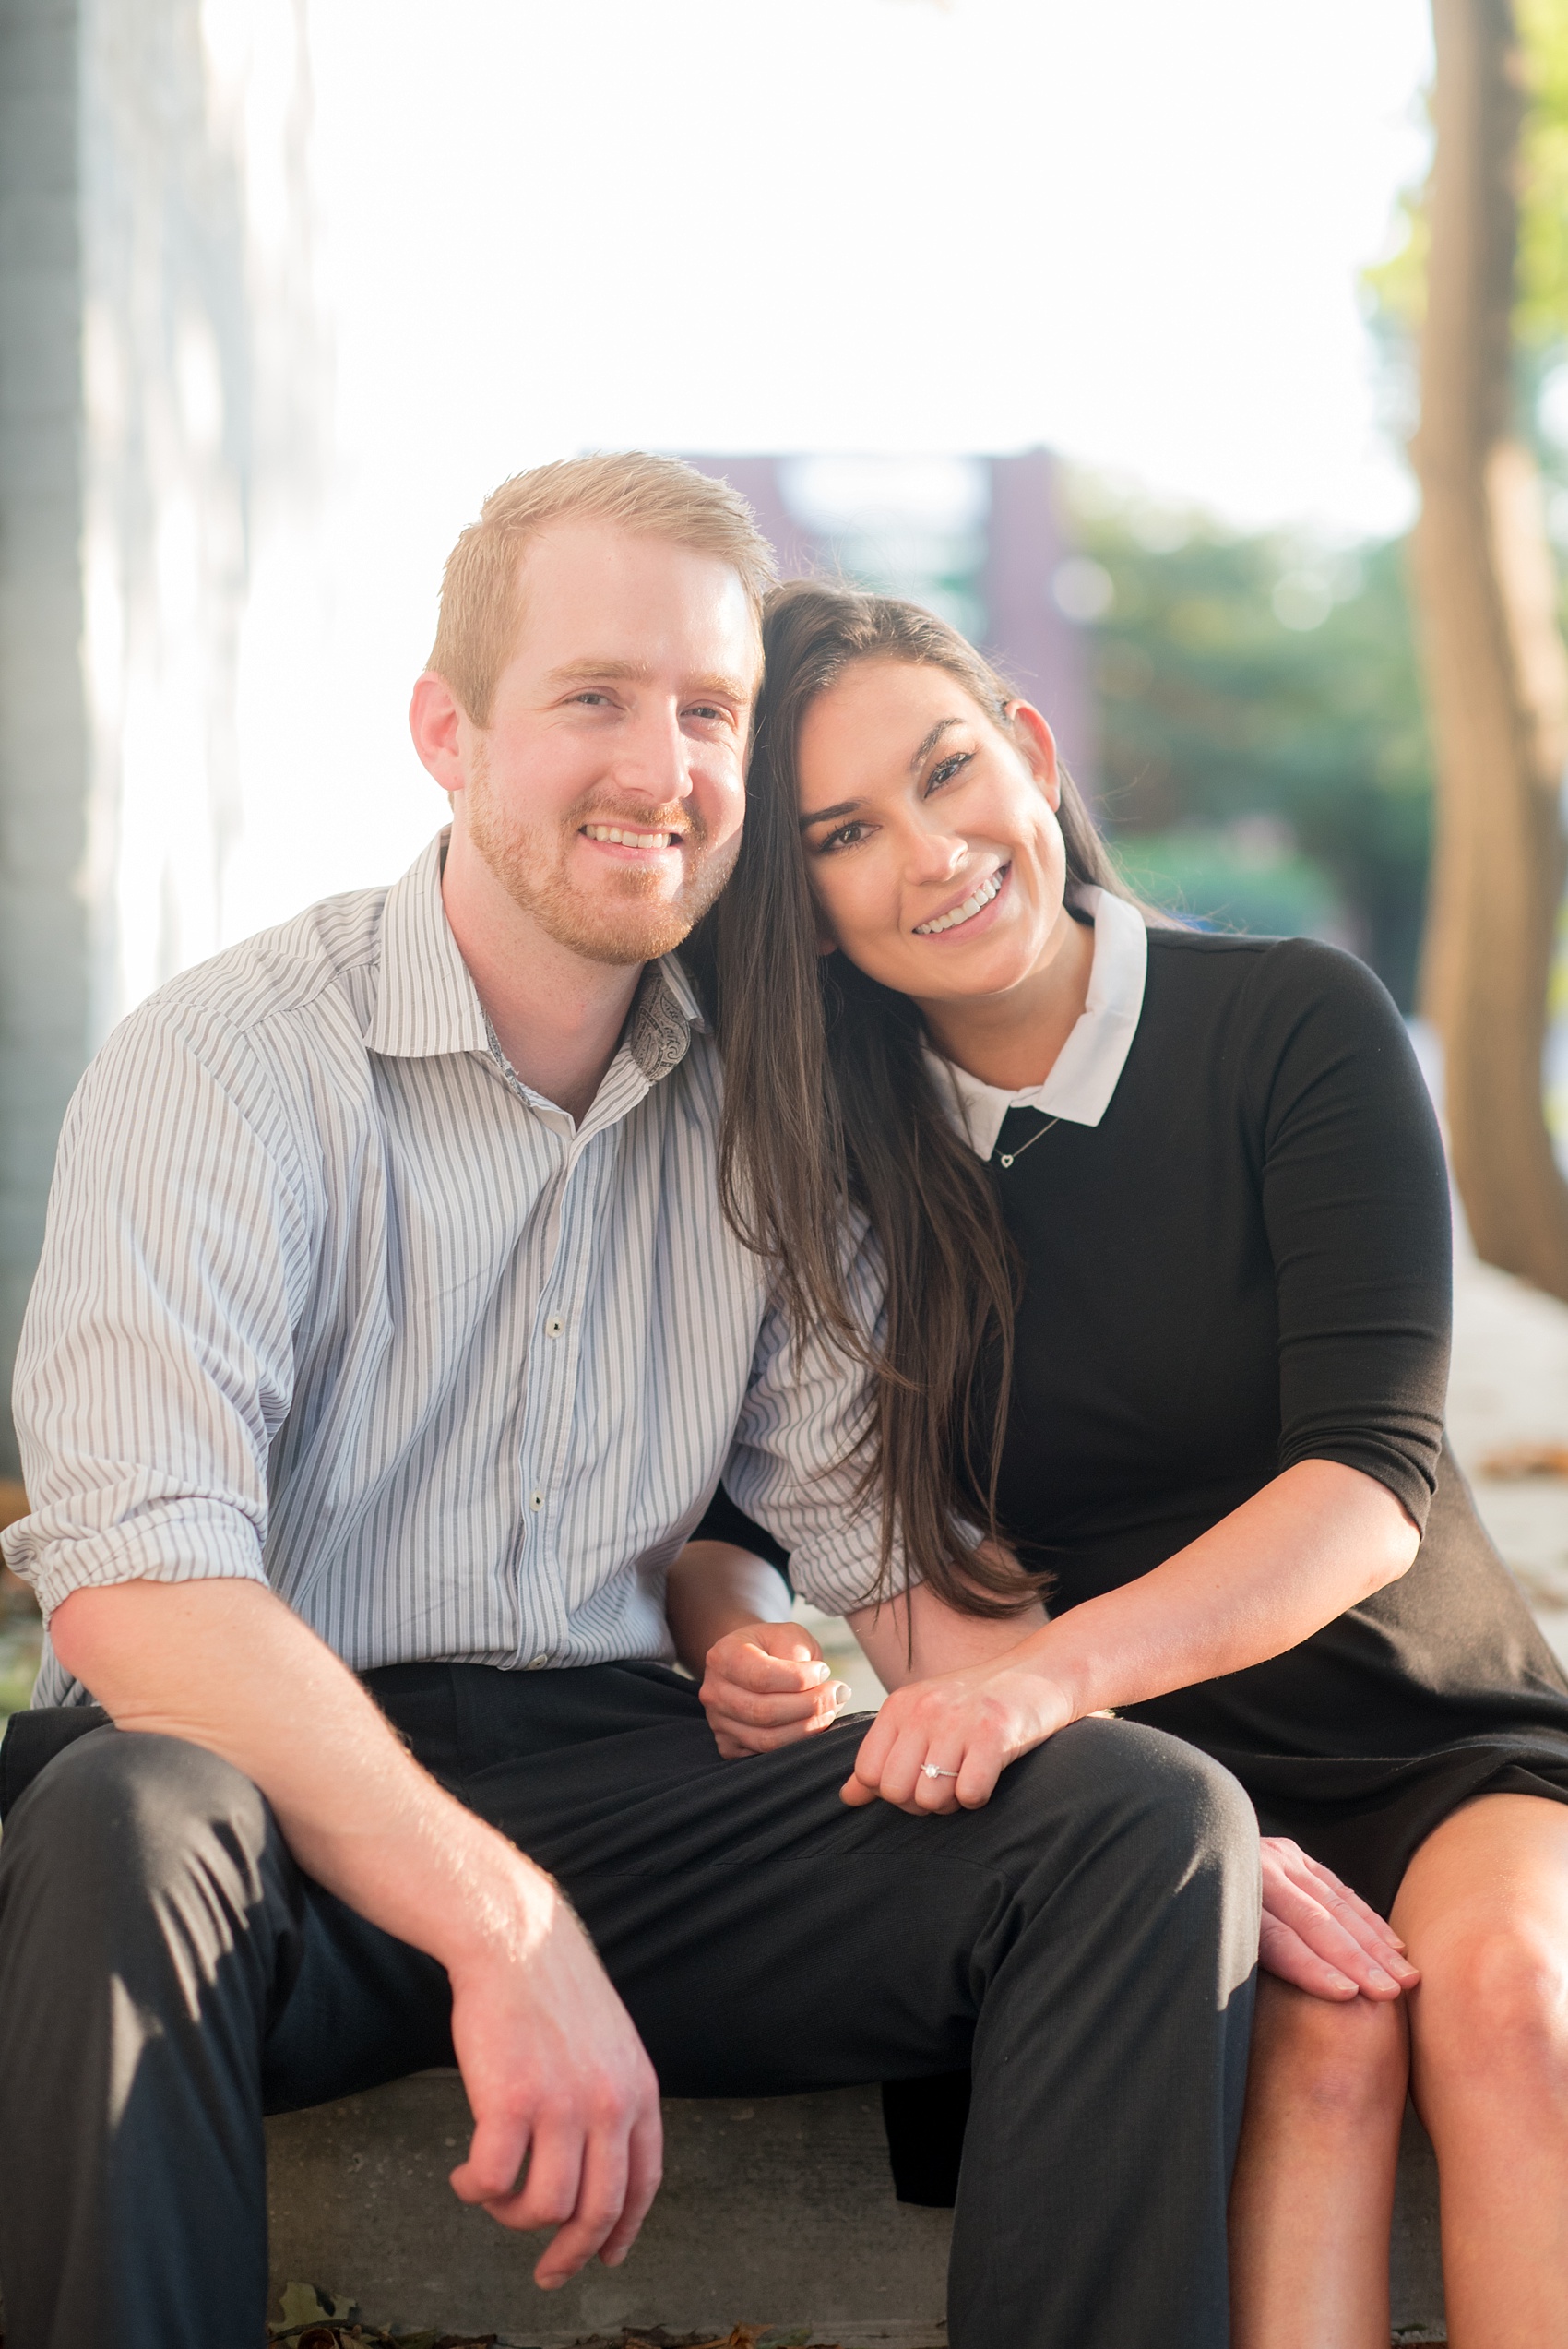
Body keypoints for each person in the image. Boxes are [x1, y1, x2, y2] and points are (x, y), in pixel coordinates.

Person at [0, 456, 1261, 2349]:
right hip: (263, 1810)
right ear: (448, 729)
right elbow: (132, 1590)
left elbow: (883, 1563)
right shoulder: (230, 1062)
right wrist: (500, 1927)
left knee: (1136, 1823)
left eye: (709, 712)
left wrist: (1237, 1832)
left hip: (622, 1785)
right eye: (594, 696)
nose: (659, 767)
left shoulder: (768, 1110)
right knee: (127, 1813)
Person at [671, 578, 1568, 2349]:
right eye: (846, 833)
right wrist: (733, 1626)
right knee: (1320, 2045)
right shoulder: (820, 1163)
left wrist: (1041, 1688)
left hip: (1418, 1711)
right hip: (1120, 1782)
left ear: (1029, 747)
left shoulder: (1297, 1023)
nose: (931, 854)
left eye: (945, 771)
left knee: (1518, 1999)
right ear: (805, 908)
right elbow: (727, 1501)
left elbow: (1372, 1478)